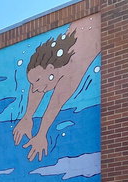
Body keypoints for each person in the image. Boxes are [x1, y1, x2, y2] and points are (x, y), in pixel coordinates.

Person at [12, 14, 101, 161]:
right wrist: (27, 116)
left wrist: (41, 134)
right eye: (33, 83)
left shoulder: (72, 69)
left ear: (51, 68)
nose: (35, 88)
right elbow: (37, 85)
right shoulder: (56, 60)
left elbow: (55, 104)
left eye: (38, 80)